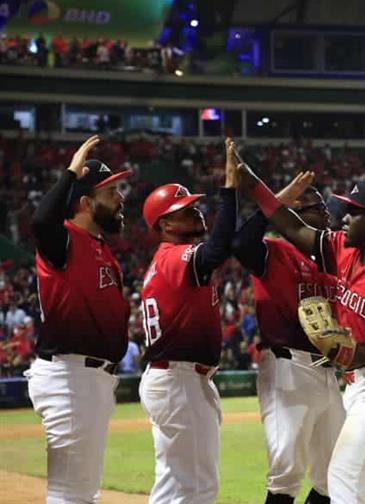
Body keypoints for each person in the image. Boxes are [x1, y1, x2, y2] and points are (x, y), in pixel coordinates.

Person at [238, 167, 365, 504]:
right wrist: (248, 178)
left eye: (354, 212)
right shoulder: (343, 252)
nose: (343, 217)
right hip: (363, 384)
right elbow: (289, 225)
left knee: (343, 481)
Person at [25, 135, 132, 503]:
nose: (120, 199)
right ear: (86, 203)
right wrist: (71, 172)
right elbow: (41, 220)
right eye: (110, 192)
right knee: (71, 494)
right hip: (70, 376)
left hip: (91, 378)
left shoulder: (101, 248)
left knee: (82, 491)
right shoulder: (63, 240)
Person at [138, 138, 242, 503]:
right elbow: (218, 247)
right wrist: (230, 189)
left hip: (177, 377)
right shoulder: (172, 257)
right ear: (165, 223)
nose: (197, 212)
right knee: (194, 485)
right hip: (178, 378)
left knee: (178, 483)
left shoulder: (166, 260)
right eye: (185, 210)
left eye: (195, 206)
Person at [232, 186, 343, 504]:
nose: (325, 214)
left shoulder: (330, 260)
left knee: (334, 473)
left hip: (326, 369)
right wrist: (274, 204)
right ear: (292, 213)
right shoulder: (273, 250)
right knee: (287, 471)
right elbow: (240, 244)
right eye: (316, 207)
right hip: (287, 364)